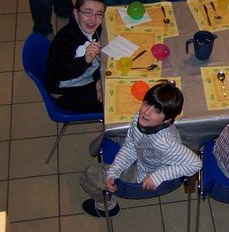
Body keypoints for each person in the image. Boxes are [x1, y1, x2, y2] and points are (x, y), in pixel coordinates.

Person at [79, 82, 202, 218]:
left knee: (90, 175)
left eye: (157, 111)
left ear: (167, 120)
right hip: (145, 153)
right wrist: (115, 170)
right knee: (115, 135)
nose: (146, 112)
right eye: (147, 103)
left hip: (145, 173)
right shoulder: (140, 118)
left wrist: (158, 176)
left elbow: (195, 163)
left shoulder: (165, 144)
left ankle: (106, 207)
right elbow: (130, 146)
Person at [46, 0, 105, 113]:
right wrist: (85, 60)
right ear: (76, 13)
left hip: (85, 77)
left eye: (99, 14)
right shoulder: (66, 40)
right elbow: (58, 72)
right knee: (112, 101)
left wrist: (99, 78)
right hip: (65, 90)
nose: (93, 19)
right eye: (88, 12)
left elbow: (96, 60)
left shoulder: (95, 28)